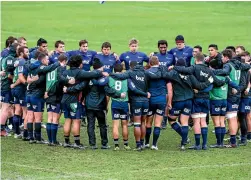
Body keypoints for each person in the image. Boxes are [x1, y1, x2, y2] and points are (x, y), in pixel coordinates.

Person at [162, 58, 214, 150]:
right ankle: (185, 143)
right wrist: (208, 82)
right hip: (189, 101)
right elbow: (198, 85)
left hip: (178, 101)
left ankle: (184, 139)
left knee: (171, 120)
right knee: (184, 122)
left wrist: (164, 68)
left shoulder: (173, 73)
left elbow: (165, 76)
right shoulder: (190, 74)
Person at [110, 61, 161, 151]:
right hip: (146, 101)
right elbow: (155, 77)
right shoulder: (146, 72)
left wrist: (109, 74)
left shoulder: (131, 73)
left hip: (136, 101)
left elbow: (123, 78)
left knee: (137, 123)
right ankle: (142, 143)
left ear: (131, 66)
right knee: (143, 123)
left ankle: (138, 145)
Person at [60, 55, 105, 149]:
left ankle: (66, 142)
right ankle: (77, 143)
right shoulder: (80, 72)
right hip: (74, 100)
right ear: (80, 64)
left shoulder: (65, 72)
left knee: (68, 119)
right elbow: (95, 74)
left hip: (64, 99)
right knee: (76, 120)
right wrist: (101, 71)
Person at [213, 49, 251, 148]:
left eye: (222, 57)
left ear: (226, 57)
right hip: (237, 95)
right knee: (233, 117)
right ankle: (233, 141)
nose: (221, 59)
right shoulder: (238, 64)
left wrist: (212, 71)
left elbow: (225, 71)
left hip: (230, 93)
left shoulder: (228, 65)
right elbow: (247, 66)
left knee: (230, 118)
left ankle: (232, 141)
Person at [26, 53, 60, 144]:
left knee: (30, 116)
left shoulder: (31, 67)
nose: (48, 61)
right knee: (37, 118)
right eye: (47, 59)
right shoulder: (42, 69)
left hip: (28, 95)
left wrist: (31, 80)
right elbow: (40, 80)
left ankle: (31, 137)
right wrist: (58, 62)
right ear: (43, 60)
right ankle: (38, 138)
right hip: (37, 96)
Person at [44, 54, 71, 146]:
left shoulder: (50, 68)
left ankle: (50, 140)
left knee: (49, 118)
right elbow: (60, 80)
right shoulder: (60, 69)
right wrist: (68, 82)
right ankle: (53, 141)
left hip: (48, 96)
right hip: (56, 96)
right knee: (55, 119)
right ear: (64, 61)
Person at [145, 56, 169, 150]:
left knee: (148, 123)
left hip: (151, 100)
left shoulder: (147, 72)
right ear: (158, 63)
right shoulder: (163, 72)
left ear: (150, 63)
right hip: (161, 100)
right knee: (158, 123)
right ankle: (154, 144)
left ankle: (146, 143)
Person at [10, 46, 29, 139]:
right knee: (25, 111)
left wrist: (13, 85)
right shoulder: (23, 62)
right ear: (21, 53)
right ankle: (25, 133)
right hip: (20, 89)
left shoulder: (17, 61)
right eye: (27, 52)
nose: (28, 53)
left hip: (15, 89)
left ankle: (17, 132)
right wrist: (15, 84)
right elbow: (20, 78)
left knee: (17, 110)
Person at [0, 43, 19, 136]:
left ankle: (6, 127)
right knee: (6, 108)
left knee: (5, 107)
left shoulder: (5, 58)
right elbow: (9, 74)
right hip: (7, 86)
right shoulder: (12, 59)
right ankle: (1, 130)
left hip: (3, 85)